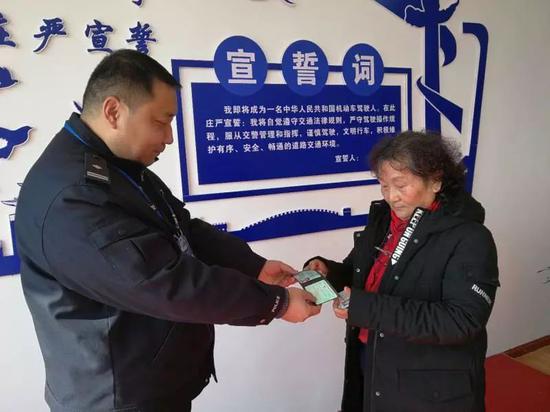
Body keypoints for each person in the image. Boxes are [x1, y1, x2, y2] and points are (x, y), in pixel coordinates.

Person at [15, 49, 320, 412]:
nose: (170, 137)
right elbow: (164, 283)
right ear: (113, 112)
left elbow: (182, 228)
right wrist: (275, 303)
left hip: (150, 383)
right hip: (116, 397)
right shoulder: (74, 196)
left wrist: (253, 266)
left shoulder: (119, 169)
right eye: (161, 122)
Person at [306, 131, 499, 412]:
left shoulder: (471, 238)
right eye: (384, 186)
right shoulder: (385, 223)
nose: (391, 197)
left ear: (436, 180)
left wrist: (366, 309)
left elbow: (462, 321)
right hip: (374, 361)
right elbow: (362, 274)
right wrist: (330, 272)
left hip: (430, 387)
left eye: (400, 185)